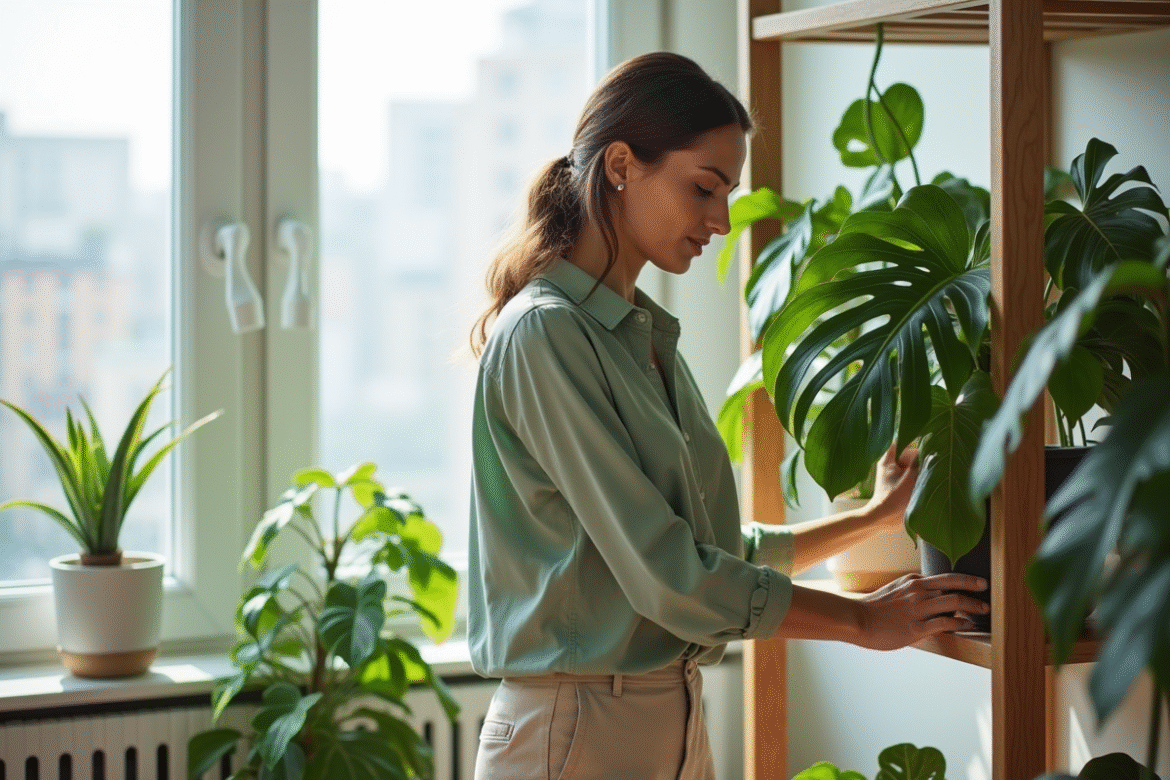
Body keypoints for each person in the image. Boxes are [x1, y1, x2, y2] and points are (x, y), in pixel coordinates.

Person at [466, 51, 988, 780]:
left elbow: (708, 550)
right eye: (703, 187)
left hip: (667, 713)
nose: (720, 218)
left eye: (728, 193)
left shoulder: (641, 338)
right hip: (574, 727)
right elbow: (669, 574)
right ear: (621, 165)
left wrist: (872, 519)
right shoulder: (546, 335)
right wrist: (863, 622)